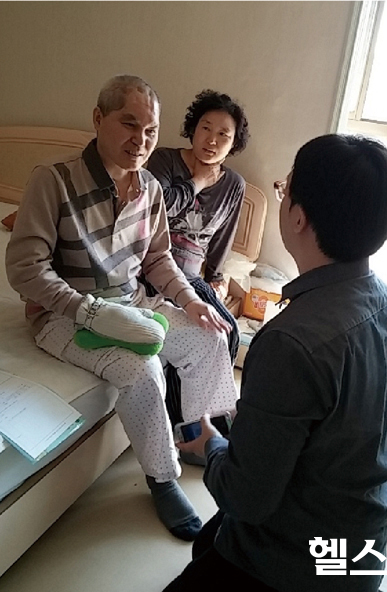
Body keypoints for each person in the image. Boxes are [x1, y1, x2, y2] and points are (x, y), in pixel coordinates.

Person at [163, 134, 387, 591]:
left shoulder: (289, 341)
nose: (282, 195)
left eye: (284, 188)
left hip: (292, 565)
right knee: (210, 540)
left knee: (221, 531)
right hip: (360, 545)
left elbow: (245, 499)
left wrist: (211, 447)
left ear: (298, 216)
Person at [5, 75, 239, 542]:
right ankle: (162, 479)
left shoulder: (149, 187)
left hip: (132, 302)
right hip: (64, 316)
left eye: (151, 131)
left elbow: (157, 259)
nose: (141, 140)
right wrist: (88, 312)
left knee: (211, 334)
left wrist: (191, 301)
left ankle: (195, 436)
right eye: (129, 124)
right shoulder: (54, 180)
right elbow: (25, 269)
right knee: (142, 368)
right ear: (98, 119)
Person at [146, 90, 249, 425]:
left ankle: (206, 426)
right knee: (196, 333)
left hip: (191, 275)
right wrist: (196, 182)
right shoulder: (164, 160)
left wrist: (216, 277)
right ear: (193, 128)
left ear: (233, 143)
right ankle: (183, 423)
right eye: (206, 128)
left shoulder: (234, 185)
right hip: (150, 266)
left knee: (226, 330)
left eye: (224, 135)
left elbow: (223, 236)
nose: (212, 140)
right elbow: (153, 208)